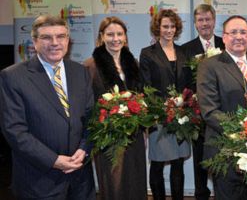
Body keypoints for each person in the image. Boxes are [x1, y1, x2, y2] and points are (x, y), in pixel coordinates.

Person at [0, 15, 95, 199]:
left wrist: (84, 148)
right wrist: (54, 161)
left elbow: (90, 117)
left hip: (80, 179)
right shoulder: (13, 77)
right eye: (46, 37)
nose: (55, 43)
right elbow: (15, 131)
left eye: (60, 36)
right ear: (34, 41)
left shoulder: (80, 72)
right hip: (39, 182)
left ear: (68, 40)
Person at [197, 15, 247, 200]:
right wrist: (244, 130)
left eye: (243, 32)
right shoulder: (209, 66)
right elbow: (209, 110)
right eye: (233, 32)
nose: (239, 36)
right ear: (224, 37)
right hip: (226, 151)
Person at [84, 16, 146, 200]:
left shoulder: (133, 62)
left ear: (125, 37)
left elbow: (140, 95)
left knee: (136, 179)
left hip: (133, 134)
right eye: (110, 34)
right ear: (102, 36)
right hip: (107, 135)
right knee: (114, 183)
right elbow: (88, 104)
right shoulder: (90, 66)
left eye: (119, 34)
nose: (115, 38)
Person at [139, 9, 192, 200]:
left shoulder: (184, 52)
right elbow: (146, 87)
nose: (169, 30)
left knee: (178, 163)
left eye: (172, 26)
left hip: (182, 117)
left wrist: (186, 104)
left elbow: (190, 84)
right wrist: (163, 106)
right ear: (157, 28)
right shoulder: (147, 53)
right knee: (158, 164)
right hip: (159, 117)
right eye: (165, 26)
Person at [181, 3, 224, 200]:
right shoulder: (186, 49)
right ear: (195, 23)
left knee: (222, 159)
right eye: (200, 20)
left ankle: (223, 194)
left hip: (223, 115)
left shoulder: (226, 44)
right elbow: (184, 82)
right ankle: (201, 195)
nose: (205, 24)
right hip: (198, 116)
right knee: (200, 161)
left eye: (208, 19)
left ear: (214, 21)